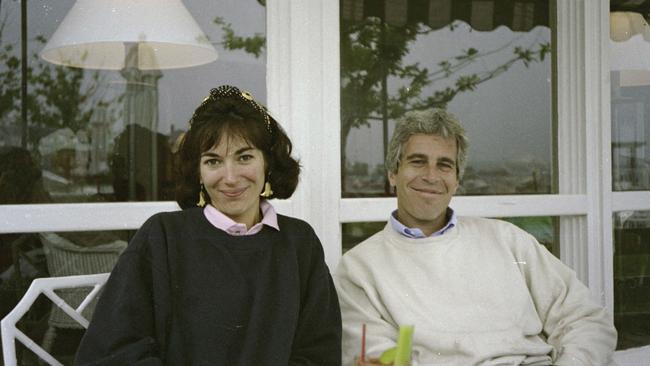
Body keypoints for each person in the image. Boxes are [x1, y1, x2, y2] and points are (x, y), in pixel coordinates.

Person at [75, 85, 342, 365]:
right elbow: (114, 350)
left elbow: (318, 352)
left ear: (268, 163)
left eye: (244, 157)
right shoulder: (162, 237)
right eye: (213, 161)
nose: (230, 177)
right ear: (198, 172)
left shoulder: (300, 243)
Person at [334, 109, 617, 365]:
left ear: (457, 180)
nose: (431, 176)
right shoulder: (359, 269)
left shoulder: (508, 240)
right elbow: (378, 358)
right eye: (418, 161)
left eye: (444, 165)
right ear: (393, 174)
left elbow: (587, 319)